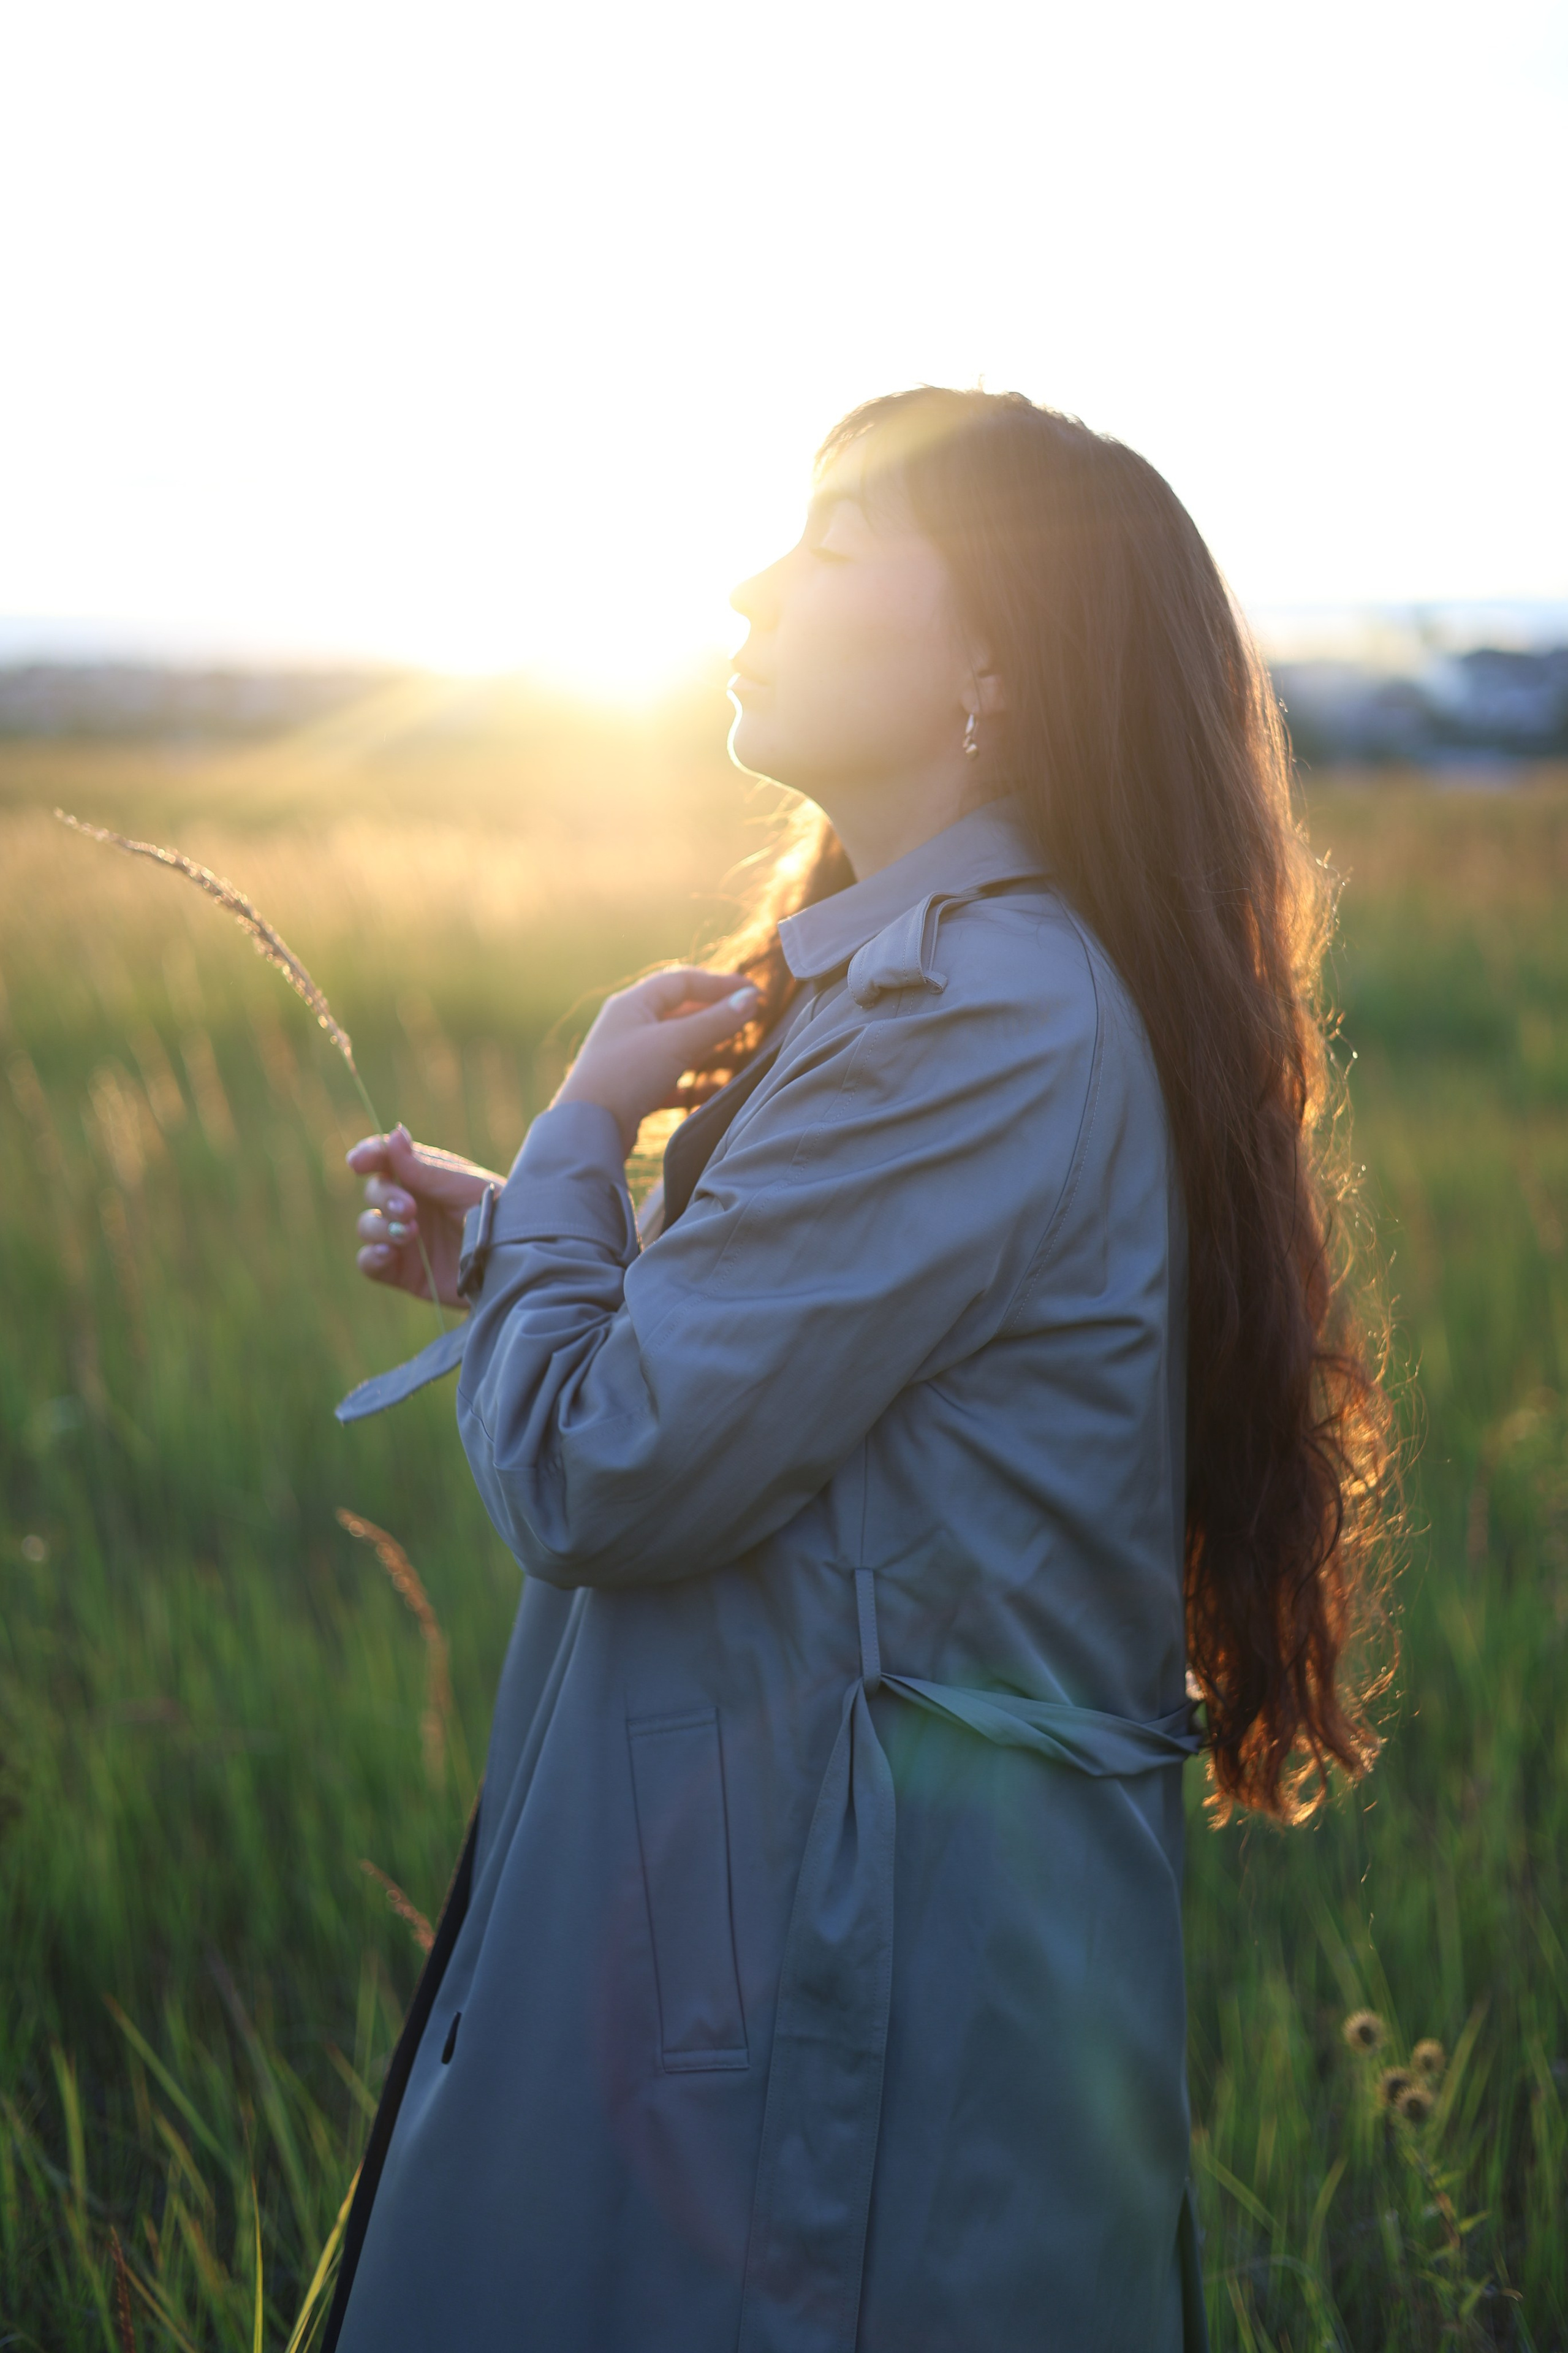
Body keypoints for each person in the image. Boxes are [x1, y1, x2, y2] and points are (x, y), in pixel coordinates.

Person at [323, 387, 1391, 2352]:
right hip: (806, 1932)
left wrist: (573, 1146)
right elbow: (821, 1400)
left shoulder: (973, 1012)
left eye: (826, 546)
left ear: (994, 648)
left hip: (833, 1998)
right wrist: (526, 1259)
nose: (749, 585)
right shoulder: (941, 981)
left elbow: (602, 1473)